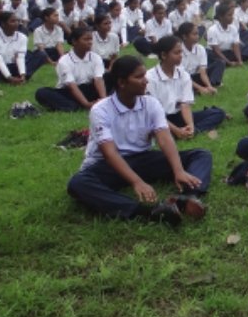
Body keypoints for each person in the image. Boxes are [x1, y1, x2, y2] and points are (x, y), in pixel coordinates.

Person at [66, 55, 211, 226]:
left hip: (142, 159)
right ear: (122, 82)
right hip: (108, 166)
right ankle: (149, 212)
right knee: (78, 183)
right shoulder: (101, 110)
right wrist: (137, 182)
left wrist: (178, 170)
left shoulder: (151, 103)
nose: (146, 80)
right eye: (139, 77)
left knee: (201, 155)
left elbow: (165, 140)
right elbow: (110, 154)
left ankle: (188, 198)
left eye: (145, 75)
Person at [146, 36, 227, 139]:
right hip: (159, 119)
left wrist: (191, 126)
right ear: (164, 55)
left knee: (218, 113)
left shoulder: (183, 74)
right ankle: (175, 133)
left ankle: (191, 132)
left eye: (181, 52)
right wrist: (176, 130)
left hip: (177, 116)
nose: (180, 56)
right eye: (176, 53)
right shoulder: (150, 78)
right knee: (153, 128)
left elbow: (185, 105)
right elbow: (154, 114)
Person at [36, 26, 108, 112]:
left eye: (91, 39)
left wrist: (103, 101)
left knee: (110, 76)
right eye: (86, 39)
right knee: (42, 92)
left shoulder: (96, 57)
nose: (90, 42)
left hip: (90, 88)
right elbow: (71, 85)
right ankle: (75, 105)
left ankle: (103, 101)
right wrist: (86, 104)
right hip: (70, 92)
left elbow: (98, 79)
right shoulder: (64, 61)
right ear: (74, 41)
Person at [207, 3, 248, 68]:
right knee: (213, 57)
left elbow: (236, 46)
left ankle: (229, 61)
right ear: (221, 17)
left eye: (232, 15)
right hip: (216, 54)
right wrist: (229, 63)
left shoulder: (233, 28)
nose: (232, 17)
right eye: (229, 15)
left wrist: (240, 61)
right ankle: (225, 62)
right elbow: (216, 51)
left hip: (229, 52)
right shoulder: (212, 30)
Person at [178, 22, 223, 94]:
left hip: (194, 77)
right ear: (184, 37)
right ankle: (197, 89)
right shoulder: (178, 51)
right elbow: (182, 76)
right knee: (180, 82)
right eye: (194, 34)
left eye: (197, 34)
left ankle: (208, 86)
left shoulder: (200, 48)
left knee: (220, 63)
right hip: (182, 79)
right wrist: (201, 88)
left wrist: (209, 86)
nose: (198, 36)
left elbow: (203, 73)